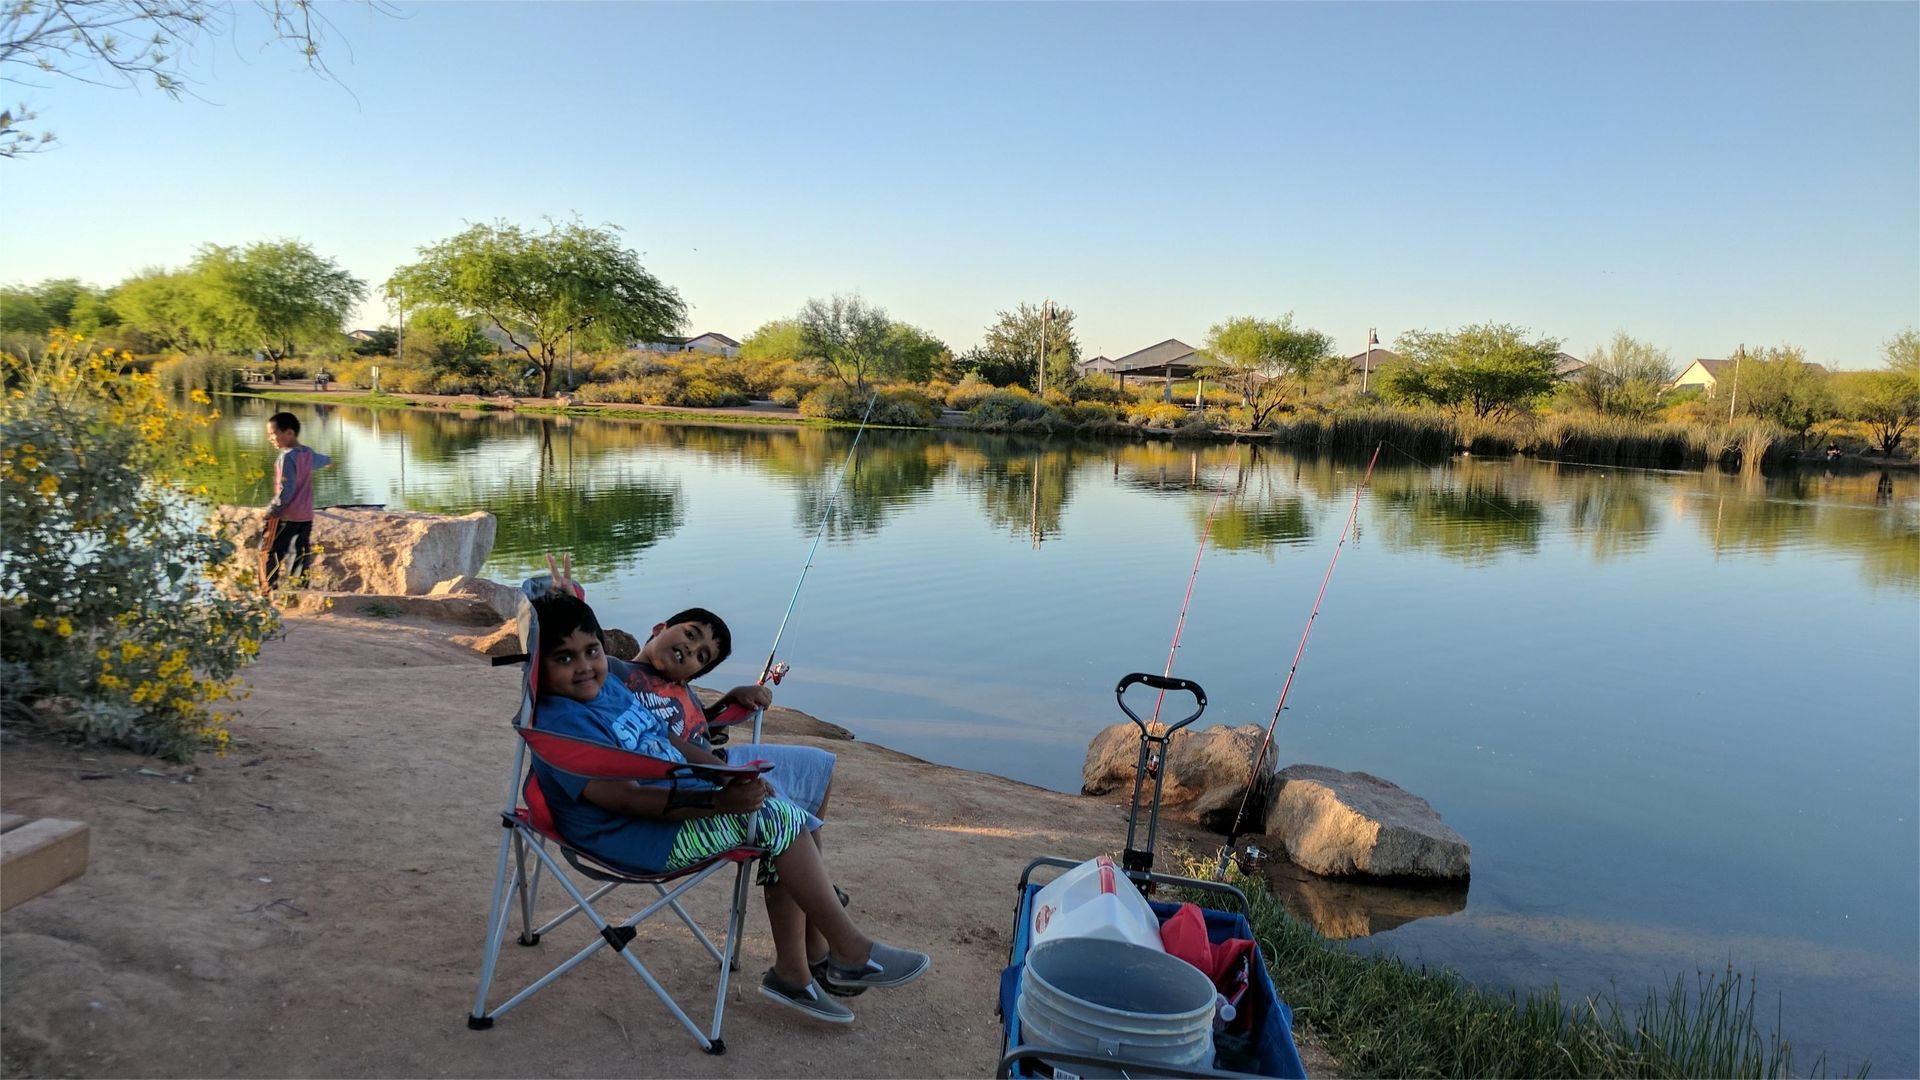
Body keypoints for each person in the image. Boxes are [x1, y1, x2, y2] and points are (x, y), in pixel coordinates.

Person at [527, 591, 930, 1024]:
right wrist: (718, 801)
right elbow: (627, 798)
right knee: (778, 819)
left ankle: (797, 970)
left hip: (671, 802)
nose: (585, 666)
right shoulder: (563, 724)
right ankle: (847, 950)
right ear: (537, 665)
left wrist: (729, 777)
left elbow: (673, 742)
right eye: (564, 659)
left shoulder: (606, 687)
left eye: (591, 651)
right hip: (633, 836)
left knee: (784, 812)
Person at [261, 411, 332, 593]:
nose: (270, 438)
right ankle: (299, 591)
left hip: (286, 515)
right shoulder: (307, 453)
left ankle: (269, 590)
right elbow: (323, 460)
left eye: (273, 434)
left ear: (289, 433)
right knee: (299, 554)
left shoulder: (287, 457)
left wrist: (272, 510)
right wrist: (328, 461)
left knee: (271, 552)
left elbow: (287, 490)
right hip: (305, 516)